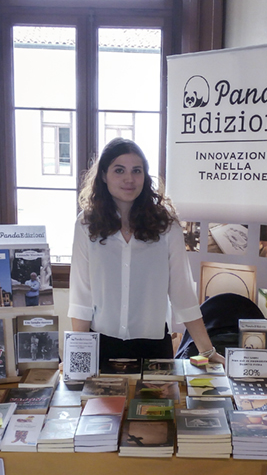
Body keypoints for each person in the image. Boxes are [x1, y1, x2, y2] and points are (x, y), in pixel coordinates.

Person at [69, 138, 223, 363]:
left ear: (145, 176)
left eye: (136, 171)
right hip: (101, 345)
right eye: (119, 170)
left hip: (153, 348)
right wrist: (78, 356)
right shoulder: (86, 224)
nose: (129, 179)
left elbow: (182, 292)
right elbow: (81, 296)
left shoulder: (166, 225)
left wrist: (208, 352)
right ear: (103, 175)